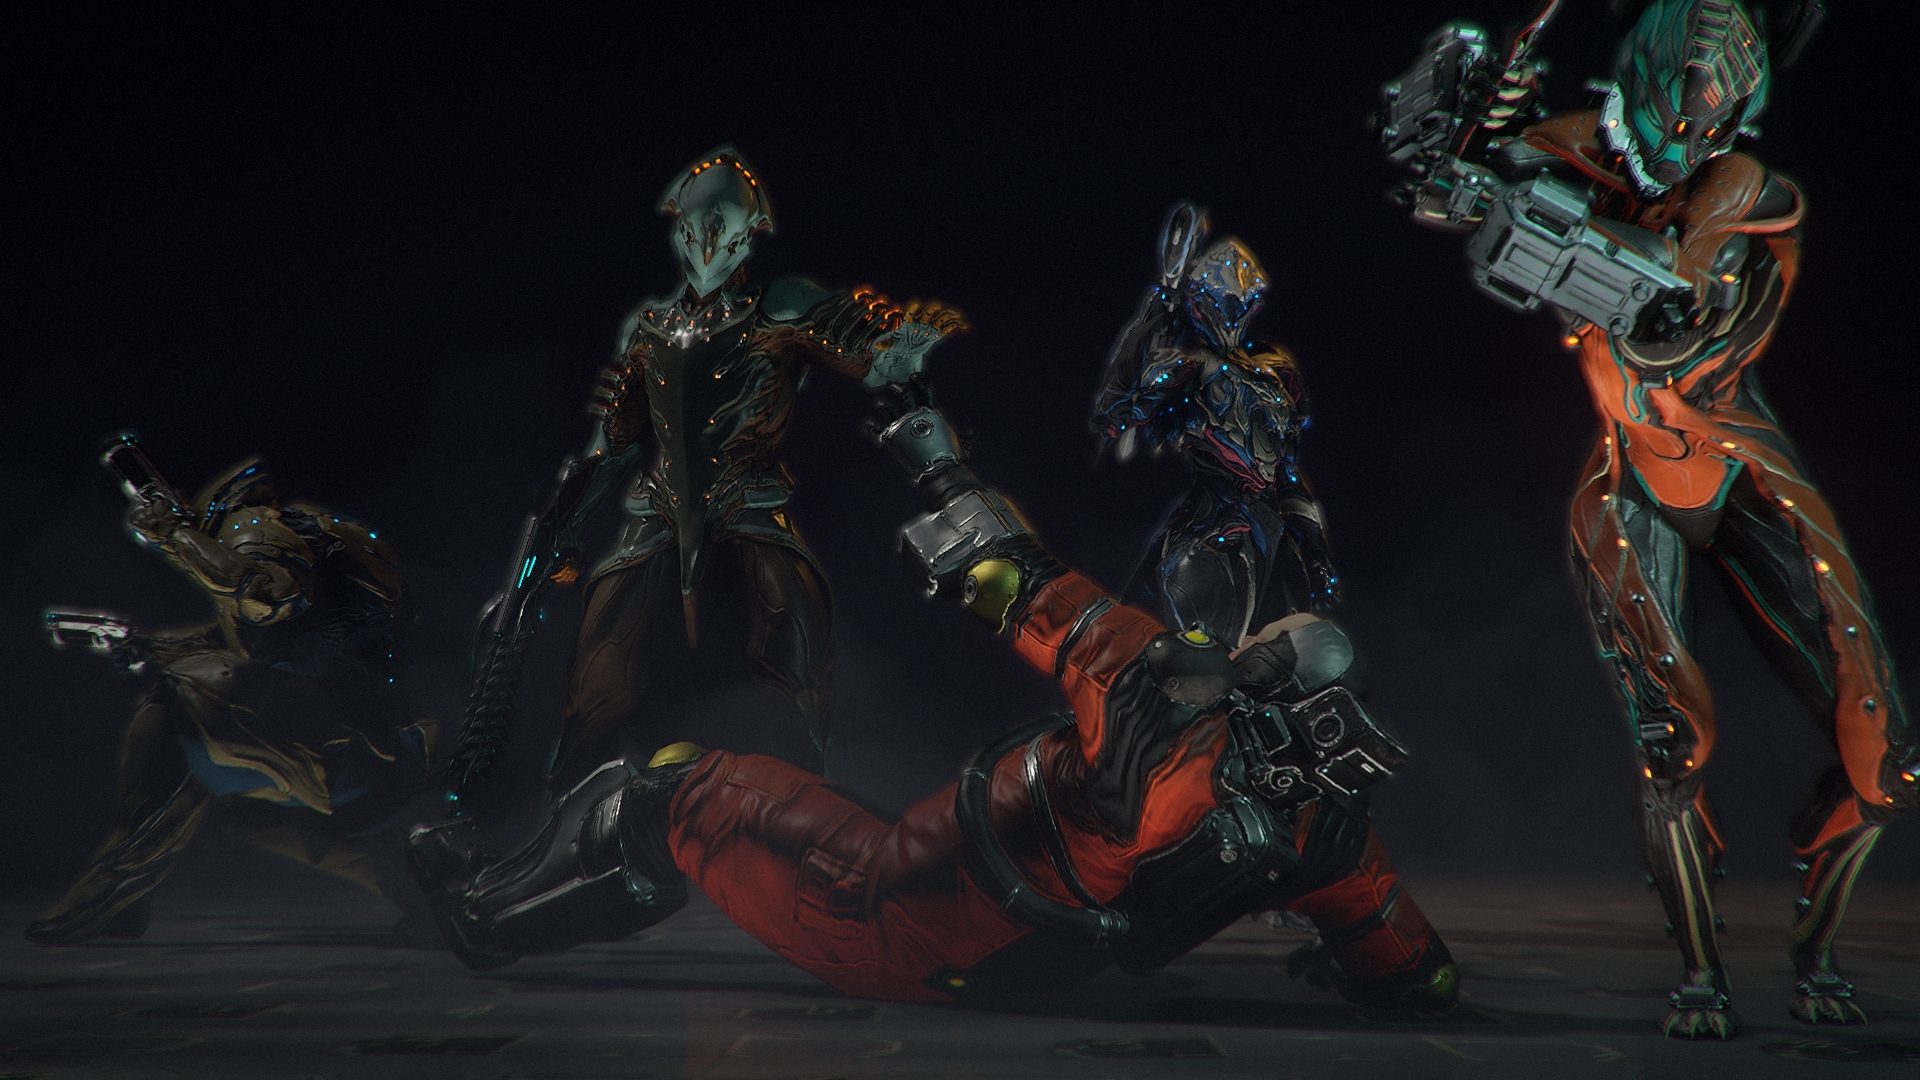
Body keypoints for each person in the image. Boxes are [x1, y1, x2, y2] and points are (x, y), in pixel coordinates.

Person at [406, 386, 1457, 1016]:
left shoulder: (1155, 678)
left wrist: (935, 458)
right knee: (808, 801)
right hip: (1020, 966)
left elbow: (1011, 576)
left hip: (887, 916)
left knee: (668, 788)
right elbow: (1416, 974)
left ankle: (485, 916)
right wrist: (1356, 965)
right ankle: (614, 882)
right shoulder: (1332, 833)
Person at [1379, 0, 1912, 1037]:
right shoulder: (1579, 149)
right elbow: (1470, 191)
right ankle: (1703, 974)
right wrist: (1467, 155)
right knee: (1671, 744)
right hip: (1632, 481)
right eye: (1677, 115)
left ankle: (1815, 956)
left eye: (1708, 122)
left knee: (1884, 762)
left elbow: (1672, 289)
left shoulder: (1743, 186)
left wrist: (1524, 195)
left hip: (1741, 471)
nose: (1687, 139)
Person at [444, 146, 966, 805]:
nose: (709, 235)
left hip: (750, 509)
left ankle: (807, 812)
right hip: (656, 520)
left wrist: (899, 356)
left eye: (724, 221)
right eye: (697, 220)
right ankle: (568, 820)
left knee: (789, 665)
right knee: (597, 682)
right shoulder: (648, 327)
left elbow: (871, 354)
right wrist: (558, 527)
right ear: (678, 226)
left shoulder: (781, 303)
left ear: (750, 232)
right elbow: (611, 446)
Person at [30, 453, 435, 945]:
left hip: (344, 745)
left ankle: (119, 886)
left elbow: (266, 593)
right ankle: (429, 897)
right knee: (258, 816)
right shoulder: (311, 541)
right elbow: (247, 643)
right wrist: (147, 647)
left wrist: (175, 535)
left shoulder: (251, 527)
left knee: (181, 703)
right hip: (370, 753)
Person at [1092, 201, 1339, 642]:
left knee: (1290, 649)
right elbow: (1115, 408)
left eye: (1238, 303)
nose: (1231, 312)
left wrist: (1315, 547)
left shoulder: (1275, 370)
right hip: (1214, 521)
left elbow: (1285, 471)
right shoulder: (1189, 365)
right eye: (1219, 302)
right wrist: (1160, 302)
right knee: (1197, 637)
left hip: (1270, 531)